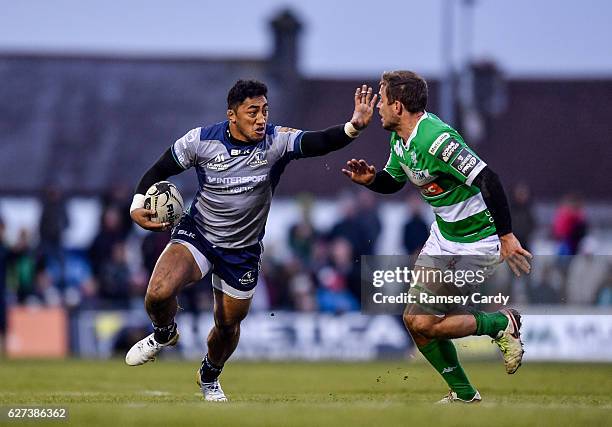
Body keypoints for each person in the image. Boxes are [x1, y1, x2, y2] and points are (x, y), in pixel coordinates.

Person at [125, 79, 377, 401]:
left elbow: (319, 142)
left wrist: (353, 127)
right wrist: (136, 205)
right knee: (158, 293)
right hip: (198, 233)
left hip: (242, 251)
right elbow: (158, 169)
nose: (261, 119)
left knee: (227, 325)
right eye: (252, 112)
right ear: (232, 115)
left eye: (265, 111)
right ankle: (164, 333)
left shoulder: (276, 141)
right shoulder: (200, 140)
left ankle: (210, 375)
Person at [342, 71, 532, 404]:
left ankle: (502, 322)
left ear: (398, 106)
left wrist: (506, 236)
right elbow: (394, 180)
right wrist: (372, 180)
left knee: (426, 322)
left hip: (478, 241)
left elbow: (489, 179)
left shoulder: (436, 139)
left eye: (382, 100)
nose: (379, 108)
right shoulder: (400, 140)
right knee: (414, 321)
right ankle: (464, 394)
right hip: (443, 237)